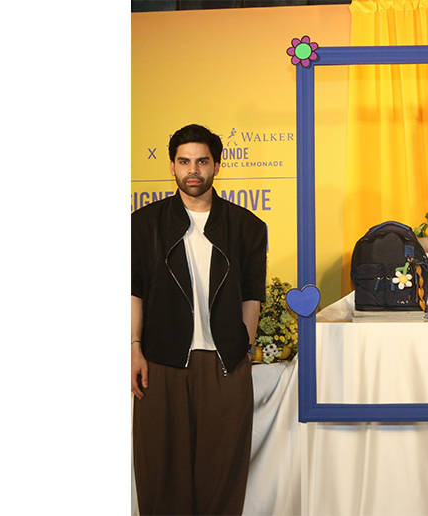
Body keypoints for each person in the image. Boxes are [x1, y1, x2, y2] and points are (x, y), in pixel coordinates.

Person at [131, 124, 267, 515]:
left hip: (224, 363)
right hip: (161, 360)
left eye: (202, 161)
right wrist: (135, 348)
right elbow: (134, 291)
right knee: (161, 472)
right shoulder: (143, 224)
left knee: (222, 474)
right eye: (184, 161)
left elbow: (252, 295)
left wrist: (244, 347)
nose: (193, 170)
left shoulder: (247, 226)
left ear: (217, 166)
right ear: (172, 166)